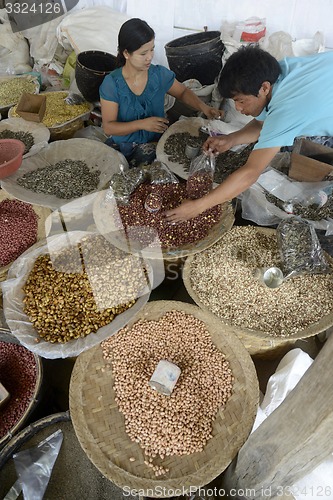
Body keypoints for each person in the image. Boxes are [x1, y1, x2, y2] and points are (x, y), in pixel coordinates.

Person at [165, 46, 333, 222]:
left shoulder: (288, 108)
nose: (238, 108)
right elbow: (262, 124)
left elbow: (251, 172)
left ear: (264, 88)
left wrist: (197, 207)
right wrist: (230, 140)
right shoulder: (278, 74)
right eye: (234, 102)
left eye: (241, 101)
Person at [100, 18, 223, 167]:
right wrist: (142, 124)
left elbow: (183, 92)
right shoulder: (112, 84)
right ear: (126, 53)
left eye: (152, 49)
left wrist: (205, 108)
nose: (150, 57)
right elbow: (109, 127)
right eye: (143, 53)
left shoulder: (158, 75)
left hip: (157, 142)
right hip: (125, 146)